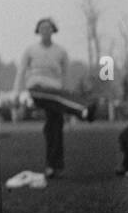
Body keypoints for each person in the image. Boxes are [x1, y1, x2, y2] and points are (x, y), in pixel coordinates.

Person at [12, 17, 97, 178]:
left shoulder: (61, 51)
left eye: (48, 27)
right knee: (56, 101)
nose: (45, 30)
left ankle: (54, 166)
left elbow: (66, 77)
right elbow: (21, 72)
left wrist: (68, 103)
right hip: (37, 89)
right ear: (38, 31)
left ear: (53, 30)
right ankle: (83, 110)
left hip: (57, 93)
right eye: (42, 28)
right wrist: (16, 94)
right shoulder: (31, 50)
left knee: (54, 126)